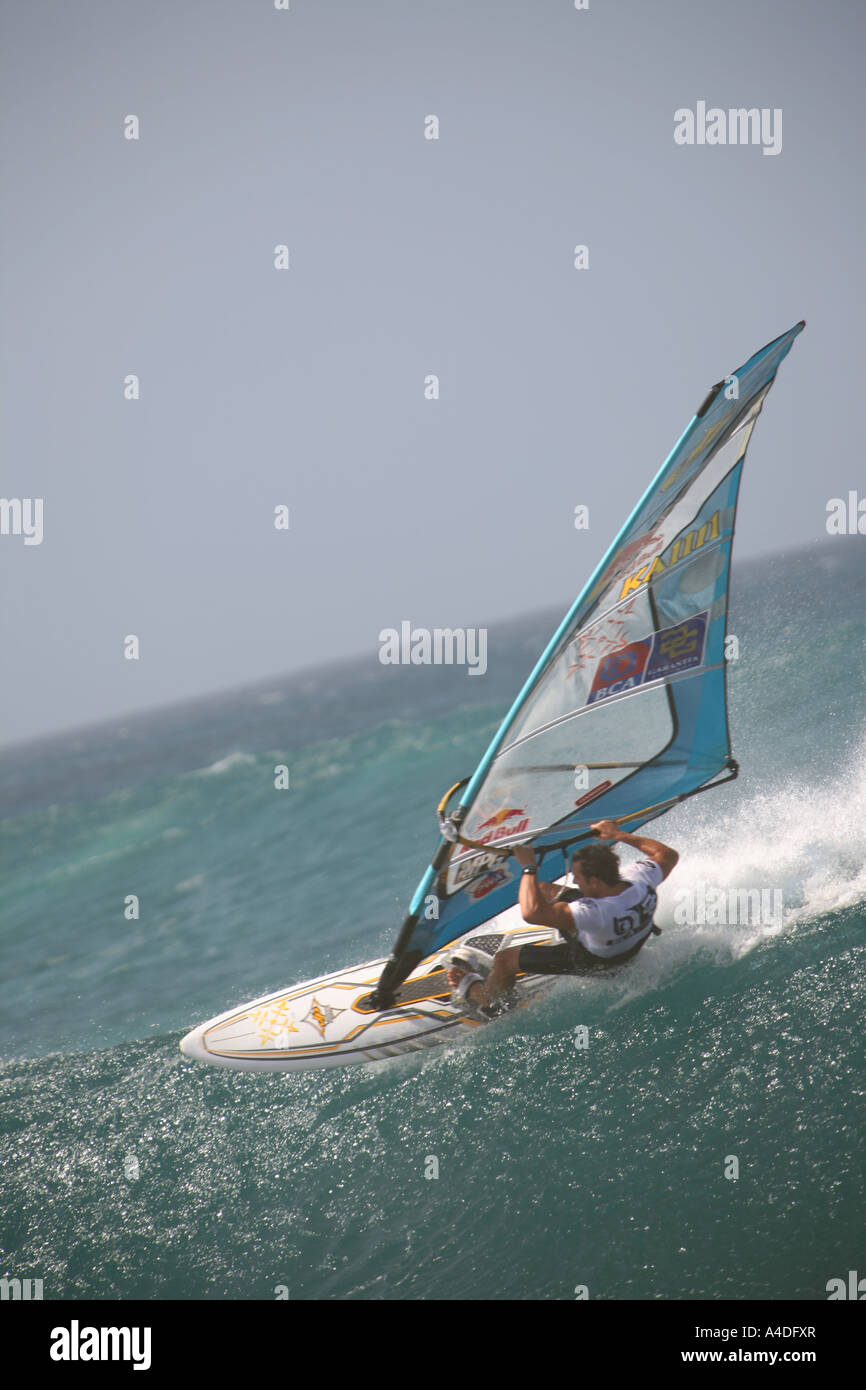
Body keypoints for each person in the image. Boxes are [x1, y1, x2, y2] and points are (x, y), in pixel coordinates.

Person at [447, 819, 678, 1011]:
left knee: (504, 959)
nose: (574, 880)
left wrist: (529, 867)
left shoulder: (592, 912)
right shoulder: (640, 879)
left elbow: (532, 913)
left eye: (577, 877)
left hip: (600, 961)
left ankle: (486, 997)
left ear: (594, 881)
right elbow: (667, 854)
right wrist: (618, 834)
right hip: (628, 939)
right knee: (545, 889)